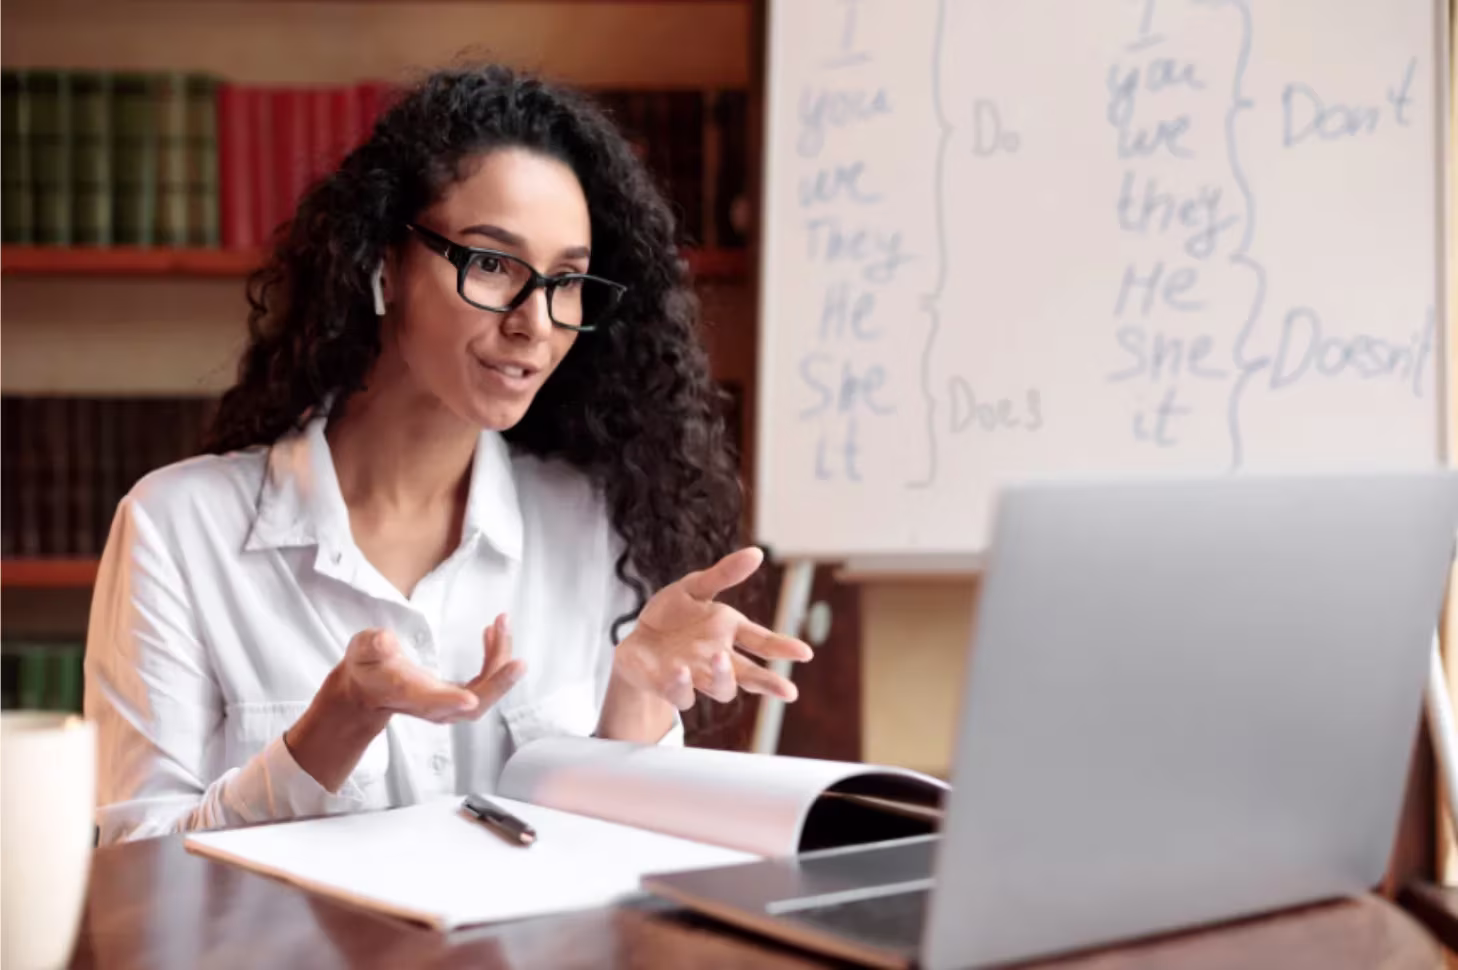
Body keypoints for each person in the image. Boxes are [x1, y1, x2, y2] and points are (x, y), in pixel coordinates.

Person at [84, 65, 813, 845]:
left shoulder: (589, 523)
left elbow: (614, 877)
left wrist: (637, 699)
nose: (536, 322)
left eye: (566, 281)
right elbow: (139, 874)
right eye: (493, 263)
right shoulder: (177, 528)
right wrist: (335, 727)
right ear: (384, 265)